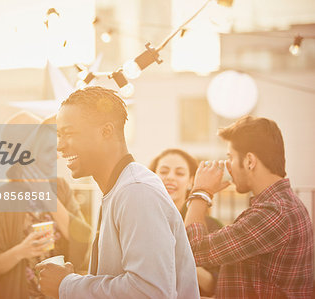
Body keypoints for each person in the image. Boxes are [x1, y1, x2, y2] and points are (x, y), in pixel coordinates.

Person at [36, 86, 199, 298]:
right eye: (58, 135)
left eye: (68, 134)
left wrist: (67, 285)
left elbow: (150, 292)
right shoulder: (121, 189)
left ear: (106, 131)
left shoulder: (136, 192)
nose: (59, 146)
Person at [185, 115, 313, 298]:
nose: (227, 167)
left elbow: (192, 251)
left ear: (250, 161)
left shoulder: (273, 213)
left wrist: (201, 191)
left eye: (230, 157)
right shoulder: (281, 205)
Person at [0, 112, 92, 299]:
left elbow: (83, 238)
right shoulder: (1, 197)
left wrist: (47, 196)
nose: (56, 156)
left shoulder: (60, 189)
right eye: (48, 150)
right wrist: (22, 251)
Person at [149, 148, 222, 296]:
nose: (170, 177)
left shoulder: (212, 226)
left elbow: (214, 286)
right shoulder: (141, 220)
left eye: (180, 173)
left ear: (191, 181)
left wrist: (179, 259)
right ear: (153, 177)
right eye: (163, 172)